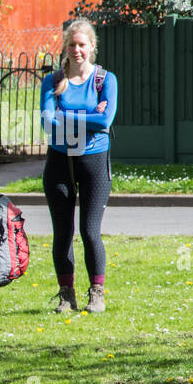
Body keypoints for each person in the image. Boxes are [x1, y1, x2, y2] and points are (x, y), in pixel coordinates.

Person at [40, 18, 118, 314]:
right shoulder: (53, 81)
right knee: (62, 232)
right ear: (66, 46)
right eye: (72, 44)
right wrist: (87, 117)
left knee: (89, 231)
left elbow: (105, 121)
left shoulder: (104, 80)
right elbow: (48, 123)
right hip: (59, 162)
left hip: (94, 161)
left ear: (92, 47)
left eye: (82, 44)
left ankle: (96, 293)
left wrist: (66, 114)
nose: (76, 50)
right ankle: (66, 295)